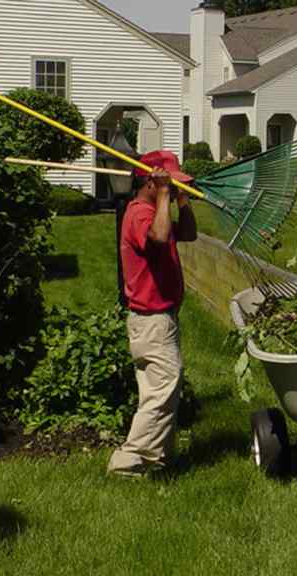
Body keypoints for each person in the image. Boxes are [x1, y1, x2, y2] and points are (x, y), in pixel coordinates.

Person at [107, 150, 198, 478]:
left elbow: (187, 234)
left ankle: (158, 459)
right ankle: (128, 464)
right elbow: (159, 238)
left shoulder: (154, 210)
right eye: (171, 186)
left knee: (159, 392)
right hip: (151, 321)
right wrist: (163, 193)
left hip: (162, 318)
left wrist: (183, 200)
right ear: (150, 181)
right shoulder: (140, 215)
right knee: (162, 392)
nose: (173, 192)